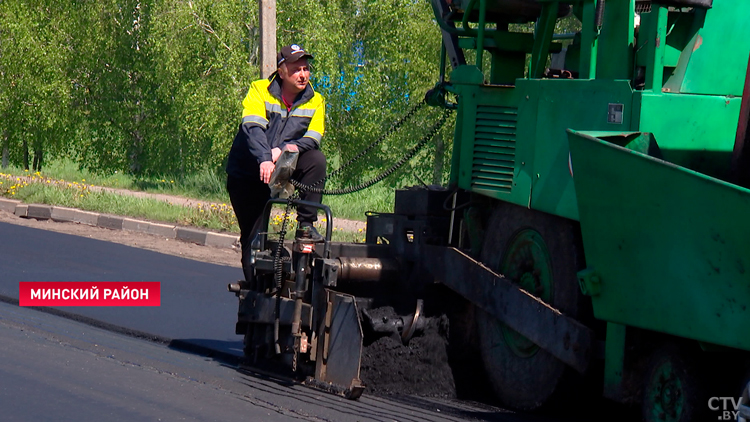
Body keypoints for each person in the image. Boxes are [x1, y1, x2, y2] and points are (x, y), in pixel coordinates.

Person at [226, 44, 327, 272]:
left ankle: (306, 226)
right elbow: (252, 127)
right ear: (281, 72)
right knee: (254, 238)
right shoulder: (260, 90)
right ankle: (254, 289)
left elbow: (313, 137)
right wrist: (264, 157)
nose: (303, 74)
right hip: (247, 173)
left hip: (281, 169)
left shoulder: (316, 100)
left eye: (306, 68)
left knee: (316, 160)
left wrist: (282, 149)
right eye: (296, 69)